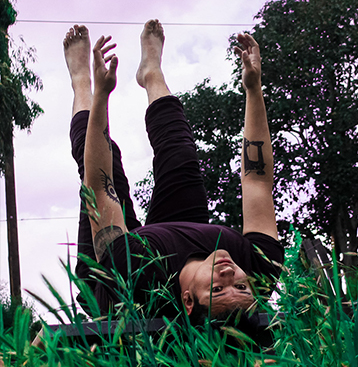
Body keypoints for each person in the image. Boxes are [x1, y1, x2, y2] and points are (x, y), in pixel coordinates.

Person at [63, 20, 283, 324]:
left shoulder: (132, 274)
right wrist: (253, 88)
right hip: (172, 237)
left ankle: (80, 82)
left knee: (104, 164)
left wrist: (101, 94)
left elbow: (100, 185)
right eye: (242, 287)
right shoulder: (260, 267)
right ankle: (151, 74)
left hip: (114, 275)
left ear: (188, 301)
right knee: (181, 155)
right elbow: (257, 179)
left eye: (218, 289)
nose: (229, 275)